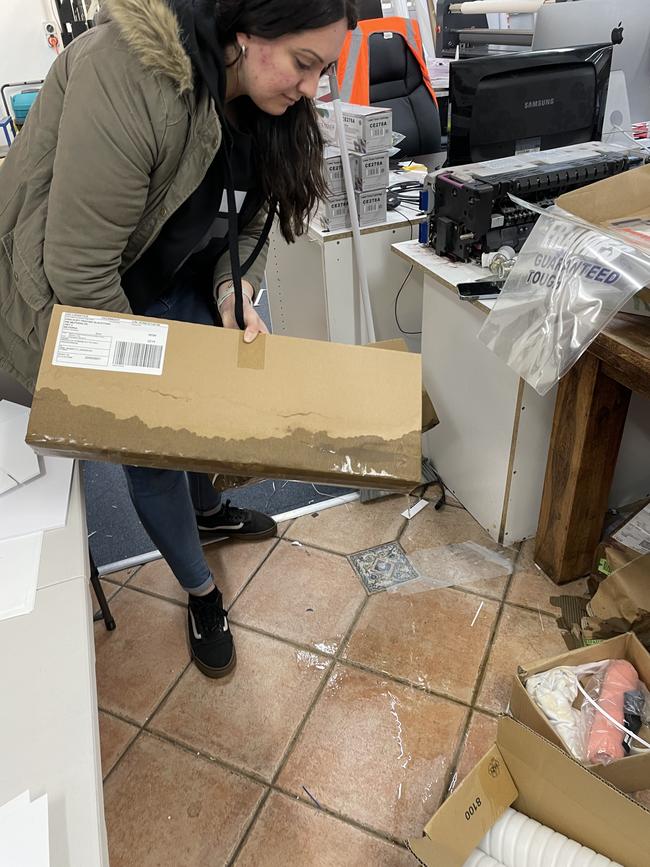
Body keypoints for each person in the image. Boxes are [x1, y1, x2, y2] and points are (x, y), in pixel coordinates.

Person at [0, 0, 358, 677]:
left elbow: (249, 222)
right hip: (97, 292)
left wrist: (232, 289)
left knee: (221, 394)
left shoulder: (268, 103)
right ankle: (200, 590)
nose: (312, 88)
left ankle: (212, 508)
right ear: (247, 35)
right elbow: (77, 272)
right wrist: (155, 389)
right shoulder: (130, 75)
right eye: (305, 64)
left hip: (180, 275)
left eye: (325, 69)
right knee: (157, 441)